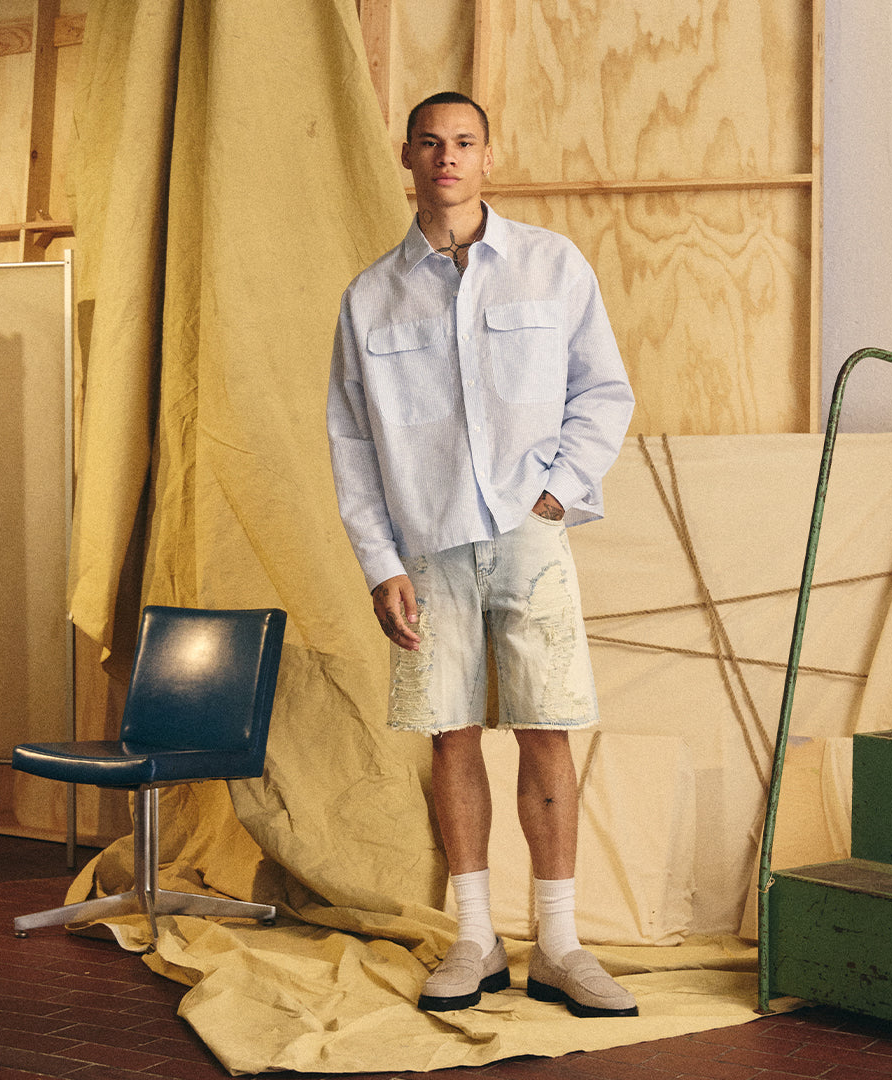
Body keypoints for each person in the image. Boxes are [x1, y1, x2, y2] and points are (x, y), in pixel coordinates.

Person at [326, 91, 636, 1018]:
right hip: (426, 548)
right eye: (431, 143)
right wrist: (381, 562)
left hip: (529, 536)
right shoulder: (370, 297)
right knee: (450, 733)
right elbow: (352, 441)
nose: (448, 158)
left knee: (548, 728)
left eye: (464, 142)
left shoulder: (552, 265)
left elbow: (603, 391)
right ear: (408, 158)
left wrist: (557, 492)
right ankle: (474, 940)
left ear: (488, 157)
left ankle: (562, 947)